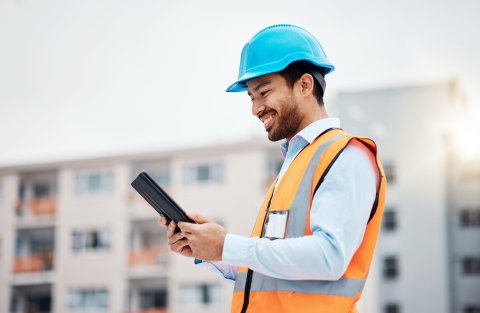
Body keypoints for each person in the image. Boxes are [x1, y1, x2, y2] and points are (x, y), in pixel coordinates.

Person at [159, 24, 386, 313]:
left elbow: (329, 257)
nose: (255, 109)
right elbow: (273, 271)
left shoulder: (346, 154)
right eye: (252, 98)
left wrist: (228, 245)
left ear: (304, 85)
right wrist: (211, 251)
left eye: (263, 93)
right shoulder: (296, 163)